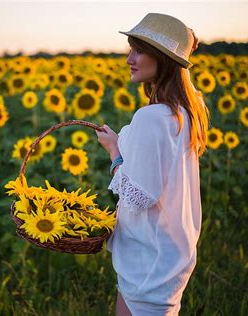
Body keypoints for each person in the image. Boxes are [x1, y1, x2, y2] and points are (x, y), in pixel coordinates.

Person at [95, 13, 209, 315]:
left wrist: (115, 154)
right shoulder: (185, 111)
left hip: (148, 259)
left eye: (139, 50)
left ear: (163, 58)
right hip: (168, 254)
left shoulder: (152, 117)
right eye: (131, 48)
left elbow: (138, 195)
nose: (129, 58)